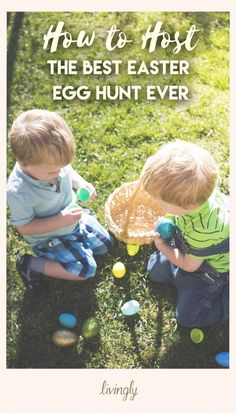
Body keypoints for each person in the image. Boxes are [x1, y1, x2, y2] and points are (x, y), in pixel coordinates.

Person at [7, 109, 113, 291]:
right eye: (51, 171)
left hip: (73, 220)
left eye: (61, 166)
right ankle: (32, 264)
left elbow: (69, 171)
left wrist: (81, 183)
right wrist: (60, 220)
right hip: (50, 237)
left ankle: (78, 244)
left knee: (106, 244)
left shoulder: (51, 162)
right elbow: (24, 227)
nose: (58, 172)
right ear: (23, 163)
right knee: (86, 269)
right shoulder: (19, 191)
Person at [140, 140, 229, 328]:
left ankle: (227, 303)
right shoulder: (201, 190)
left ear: (189, 206)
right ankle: (180, 279)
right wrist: (170, 221)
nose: (158, 206)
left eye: (162, 204)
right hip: (191, 248)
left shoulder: (204, 230)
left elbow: (190, 265)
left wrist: (163, 246)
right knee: (154, 270)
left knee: (187, 318)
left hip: (211, 270)